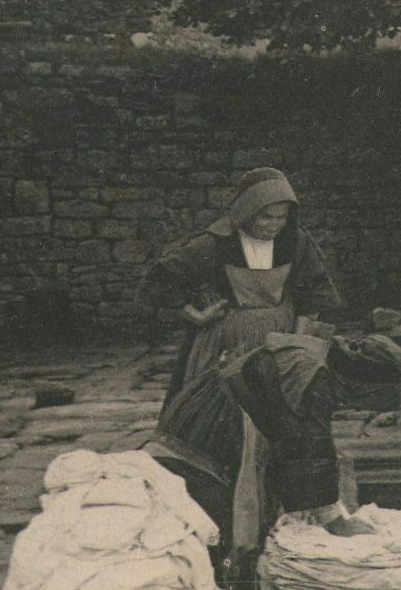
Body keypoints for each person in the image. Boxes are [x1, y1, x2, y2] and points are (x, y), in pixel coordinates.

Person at [148, 332, 401, 567]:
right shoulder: (311, 376)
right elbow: (310, 449)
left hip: (216, 402)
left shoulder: (325, 356)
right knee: (209, 505)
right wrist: (335, 520)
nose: (358, 409)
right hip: (217, 419)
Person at [140, 166, 343, 417]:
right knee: (222, 412)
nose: (274, 225)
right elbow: (161, 279)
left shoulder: (294, 240)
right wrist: (197, 316)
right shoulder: (217, 242)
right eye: (266, 217)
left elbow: (313, 289)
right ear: (247, 212)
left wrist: (296, 341)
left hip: (282, 335)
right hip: (229, 340)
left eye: (281, 217)